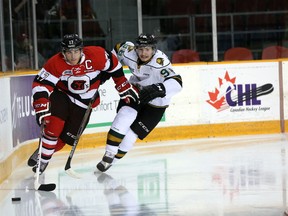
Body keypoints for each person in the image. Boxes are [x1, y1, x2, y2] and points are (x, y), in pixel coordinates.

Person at [27, 33, 139, 174]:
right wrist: (41, 104)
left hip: (84, 104)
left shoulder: (96, 55)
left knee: (66, 139)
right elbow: (41, 84)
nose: (73, 56)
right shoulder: (55, 62)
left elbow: (114, 64)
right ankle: (42, 161)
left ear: (81, 50)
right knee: (54, 126)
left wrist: (122, 84)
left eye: (76, 51)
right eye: (69, 52)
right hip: (63, 95)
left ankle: (43, 151)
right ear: (63, 52)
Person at [96, 33, 183, 172]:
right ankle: (109, 153)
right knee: (125, 115)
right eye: (141, 49)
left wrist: (158, 88)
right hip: (136, 90)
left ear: (153, 50)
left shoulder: (160, 62)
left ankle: (112, 161)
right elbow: (116, 52)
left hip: (157, 102)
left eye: (147, 49)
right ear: (136, 48)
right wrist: (102, 75)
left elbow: (177, 82)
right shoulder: (128, 51)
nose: (143, 53)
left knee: (132, 134)